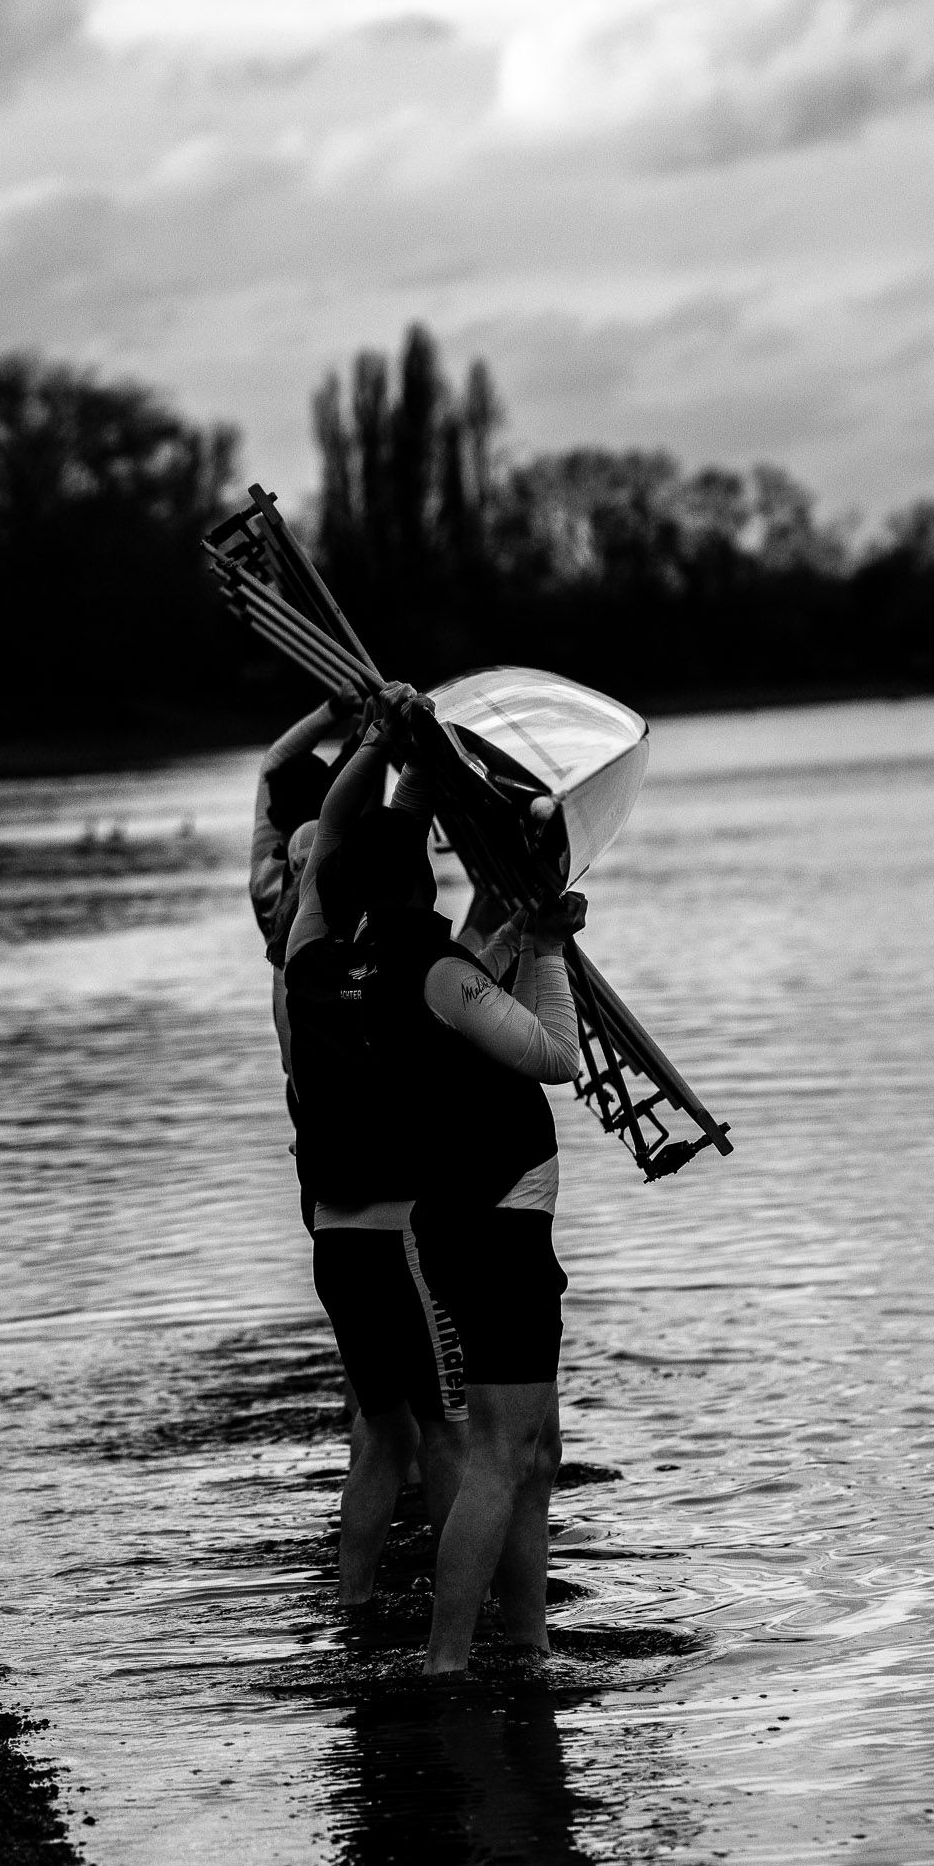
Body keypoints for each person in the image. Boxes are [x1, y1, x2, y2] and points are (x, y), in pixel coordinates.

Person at [313, 695, 586, 1675]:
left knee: (535, 1453)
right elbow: (554, 1053)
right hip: (490, 1225)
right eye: (428, 850)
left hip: (493, 1221)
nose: (439, 860)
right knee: (497, 1455)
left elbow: (475, 961)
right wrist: (546, 945)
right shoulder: (430, 969)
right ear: (411, 875)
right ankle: (447, 1661)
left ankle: (526, 1648)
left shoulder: (385, 955)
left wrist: (413, 751)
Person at [284, 686, 471, 1602]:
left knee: (383, 1436)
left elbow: (331, 821)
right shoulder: (429, 975)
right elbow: (491, 960)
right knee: (446, 1433)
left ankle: (354, 1607)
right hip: (405, 1241)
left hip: (333, 1240)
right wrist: (414, 752)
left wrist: (389, 743)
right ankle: (457, 1614)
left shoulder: (305, 969)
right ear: (413, 893)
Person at [249, 685, 364, 1095]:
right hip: (345, 1040)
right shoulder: (331, 855)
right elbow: (358, 784)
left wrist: (336, 710)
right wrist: (368, 731)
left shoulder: (267, 864)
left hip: (301, 1055)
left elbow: (273, 763)